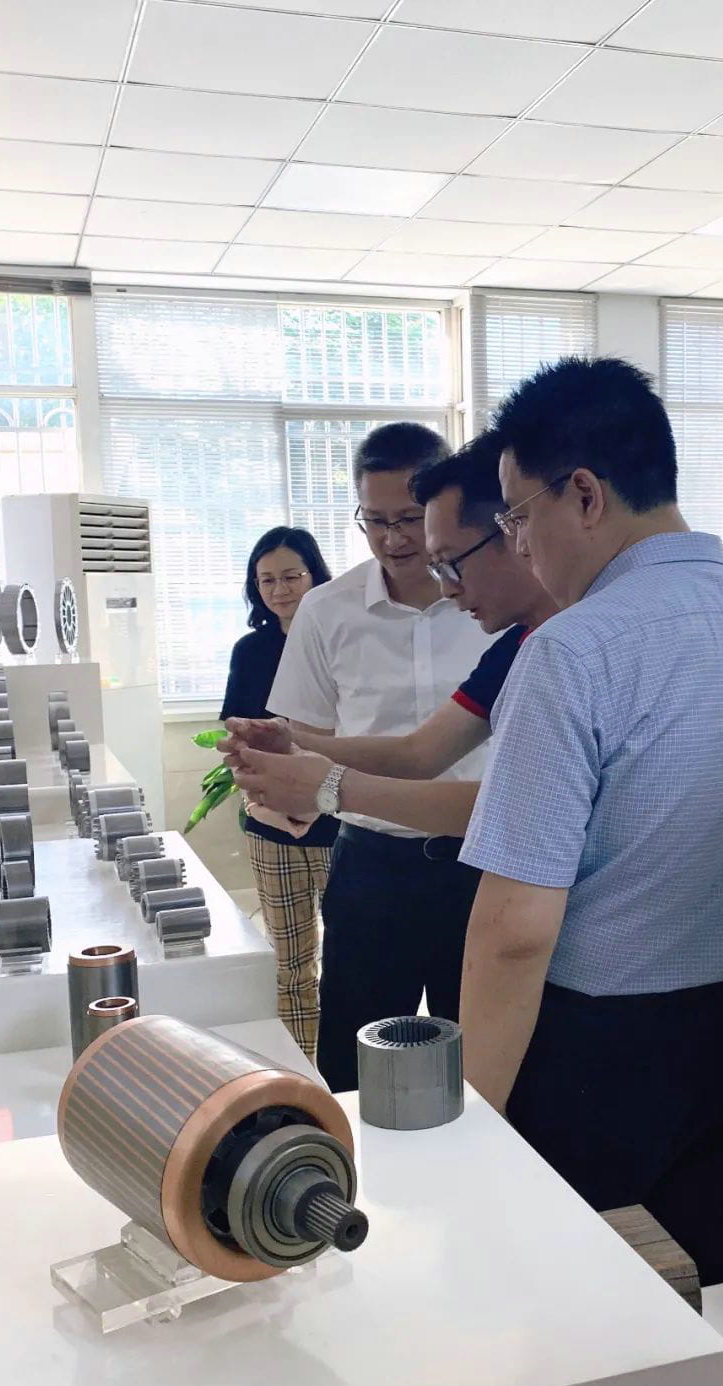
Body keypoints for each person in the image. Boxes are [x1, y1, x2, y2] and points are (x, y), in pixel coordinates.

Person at [456, 356, 723, 1288]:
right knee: (704, 1287)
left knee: (580, 1310)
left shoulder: (572, 653)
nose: (520, 546)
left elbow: (515, 932)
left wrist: (471, 1126)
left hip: (591, 1061)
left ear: (584, 495)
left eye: (518, 518)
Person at [263, 423, 493, 1092]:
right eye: (375, 521)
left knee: (482, 1063)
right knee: (355, 1063)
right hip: (372, 866)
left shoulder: (497, 603)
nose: (393, 539)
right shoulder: (326, 610)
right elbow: (302, 739)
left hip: (482, 860)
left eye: (410, 519)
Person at [223, 432, 556, 837]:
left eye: (451, 562)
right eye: (376, 520)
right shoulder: (514, 646)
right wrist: (293, 743)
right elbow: (419, 754)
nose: (449, 588)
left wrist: (333, 787)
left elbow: (526, 807)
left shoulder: (564, 640)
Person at [220, 527, 337, 1061]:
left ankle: (341, 1075)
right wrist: (265, 803)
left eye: (292, 576)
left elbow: (361, 735)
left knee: (351, 963)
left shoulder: (341, 641)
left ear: (315, 577)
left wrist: (315, 799)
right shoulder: (251, 650)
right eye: (266, 580)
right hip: (271, 826)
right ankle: (300, 1071)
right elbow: (236, 736)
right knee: (289, 965)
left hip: (341, 821)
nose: (280, 589)